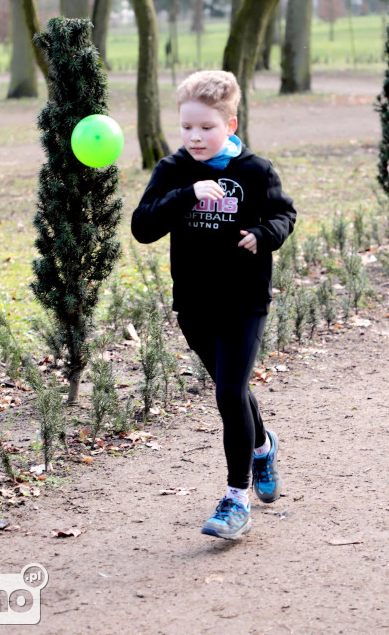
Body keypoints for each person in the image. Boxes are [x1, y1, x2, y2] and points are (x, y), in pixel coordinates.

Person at [131, 70, 296, 540]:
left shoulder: (255, 171)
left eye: (206, 127)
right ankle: (262, 446)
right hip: (195, 304)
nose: (195, 137)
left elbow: (285, 214)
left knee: (227, 394)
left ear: (230, 122)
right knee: (232, 390)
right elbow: (143, 226)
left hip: (244, 302)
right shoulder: (173, 170)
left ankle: (234, 500)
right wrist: (187, 195)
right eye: (186, 127)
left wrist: (264, 235)